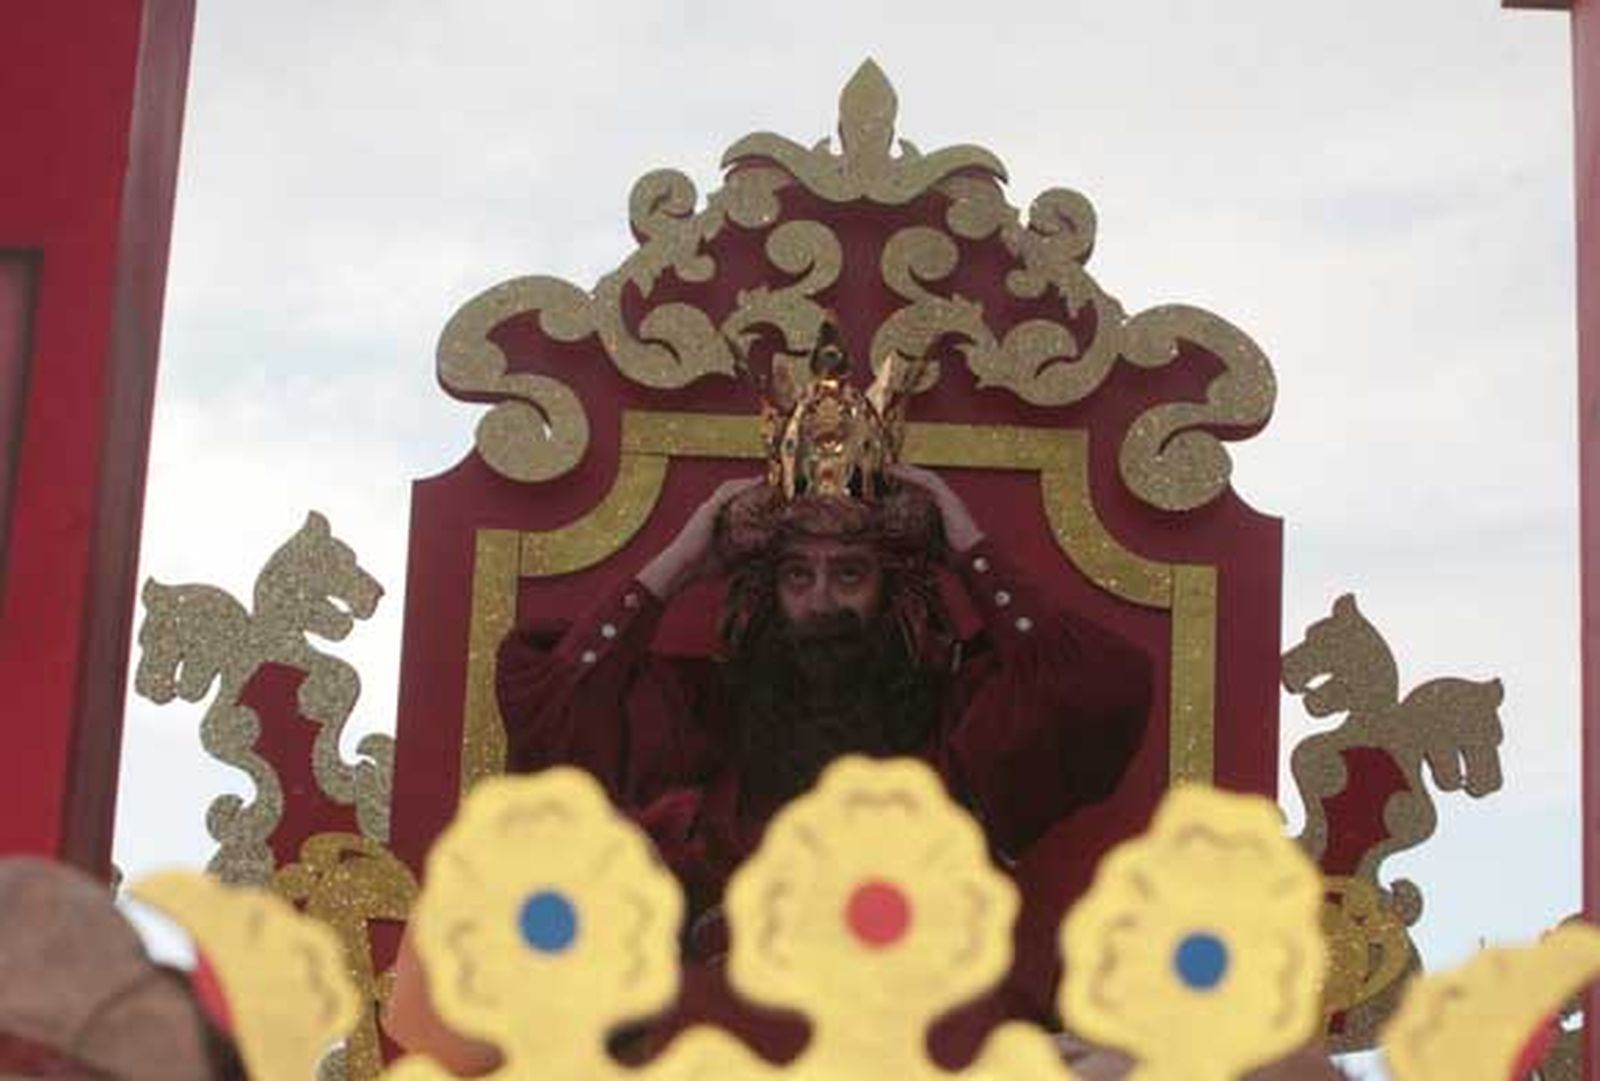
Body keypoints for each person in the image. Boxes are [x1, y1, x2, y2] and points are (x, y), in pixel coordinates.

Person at [384, 324, 1159, 1070]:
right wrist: (683, 558)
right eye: (799, 575)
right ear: (767, 592)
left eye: (850, 574)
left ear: (891, 589)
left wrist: (965, 544)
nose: (822, 600)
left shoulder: (954, 723)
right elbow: (549, 723)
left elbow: (1100, 685)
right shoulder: (709, 711)